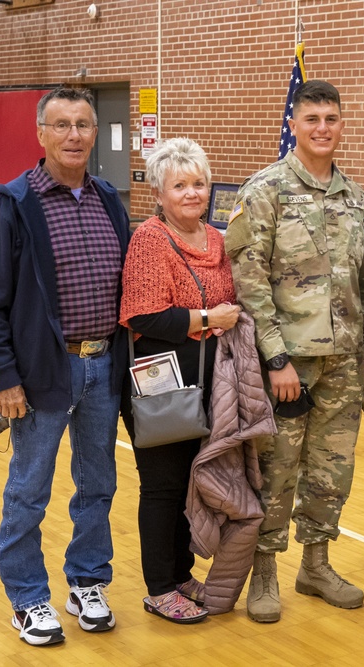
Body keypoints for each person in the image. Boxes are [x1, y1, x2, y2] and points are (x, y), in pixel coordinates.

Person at [0, 87, 130, 646]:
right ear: (40, 134)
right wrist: (4, 379)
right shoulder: (13, 204)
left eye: (83, 124)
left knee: (97, 485)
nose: (74, 136)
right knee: (29, 491)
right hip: (41, 374)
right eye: (61, 125)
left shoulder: (110, 199)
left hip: (102, 368)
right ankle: (28, 598)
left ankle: (87, 580)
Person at [223, 80, 364, 623]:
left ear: (341, 125)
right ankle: (263, 571)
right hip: (287, 362)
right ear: (294, 124)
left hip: (343, 363)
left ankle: (316, 564)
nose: (323, 128)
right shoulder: (264, 190)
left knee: (332, 470)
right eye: (312, 119)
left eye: (332, 119)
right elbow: (249, 280)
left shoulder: (356, 196)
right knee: (277, 468)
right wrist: (275, 358)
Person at [119, 137, 242, 624]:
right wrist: (209, 315)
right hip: (162, 384)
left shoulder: (217, 240)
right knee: (163, 486)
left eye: (199, 183)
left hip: (213, 383)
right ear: (159, 192)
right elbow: (144, 315)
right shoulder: (150, 238)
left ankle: (181, 571)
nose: (192, 193)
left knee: (192, 483)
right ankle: (158, 586)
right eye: (180, 185)